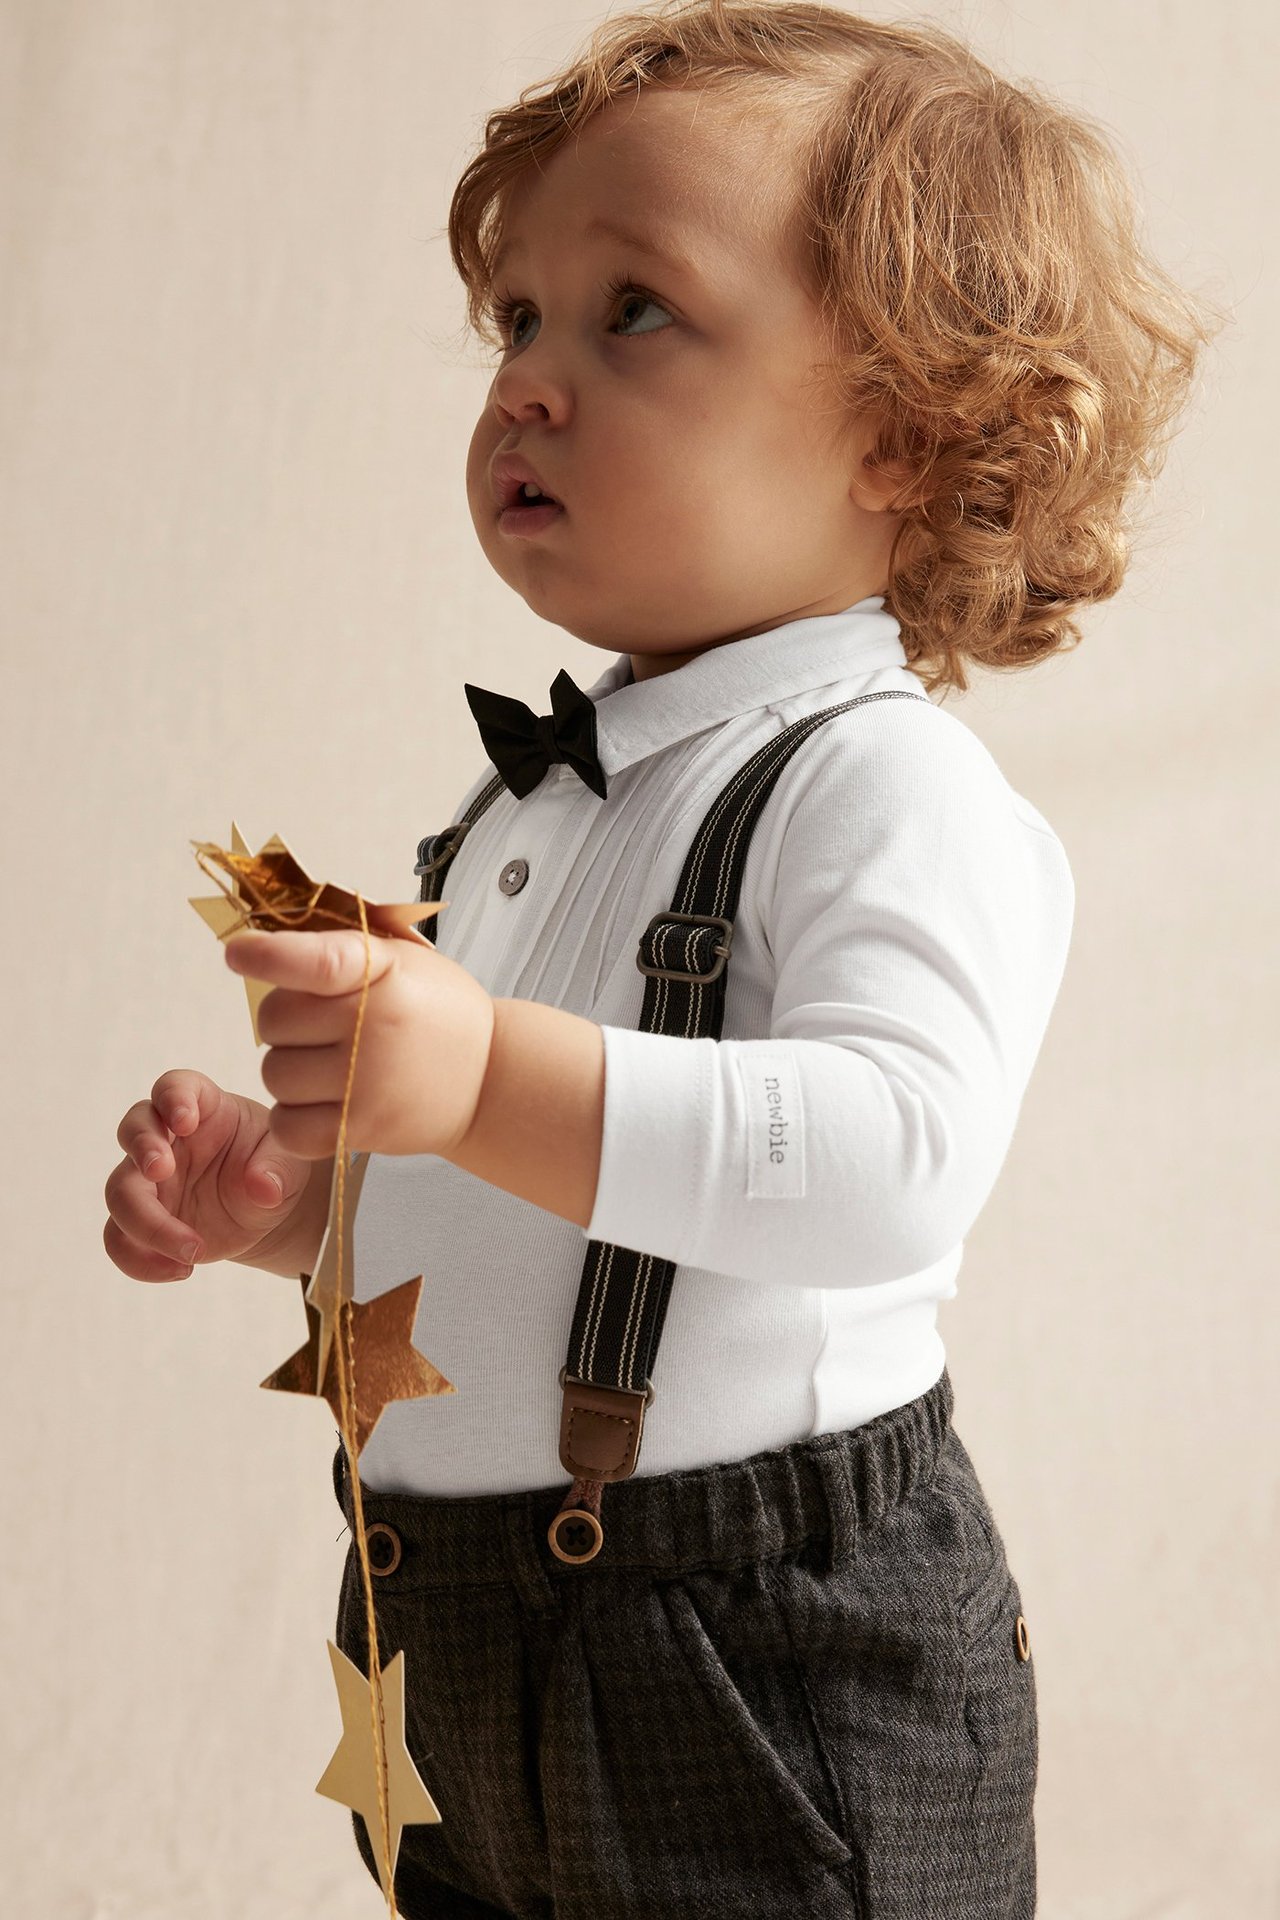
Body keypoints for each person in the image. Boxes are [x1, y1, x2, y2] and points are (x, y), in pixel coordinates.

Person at [102, 4, 1216, 1914]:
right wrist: (313, 1206)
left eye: (633, 314)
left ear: (907, 433)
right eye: (516, 319)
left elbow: (889, 1161)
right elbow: (550, 1208)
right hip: (447, 1634)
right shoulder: (537, 796)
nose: (527, 381)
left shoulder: (887, 784)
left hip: (754, 1646)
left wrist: (480, 1079)